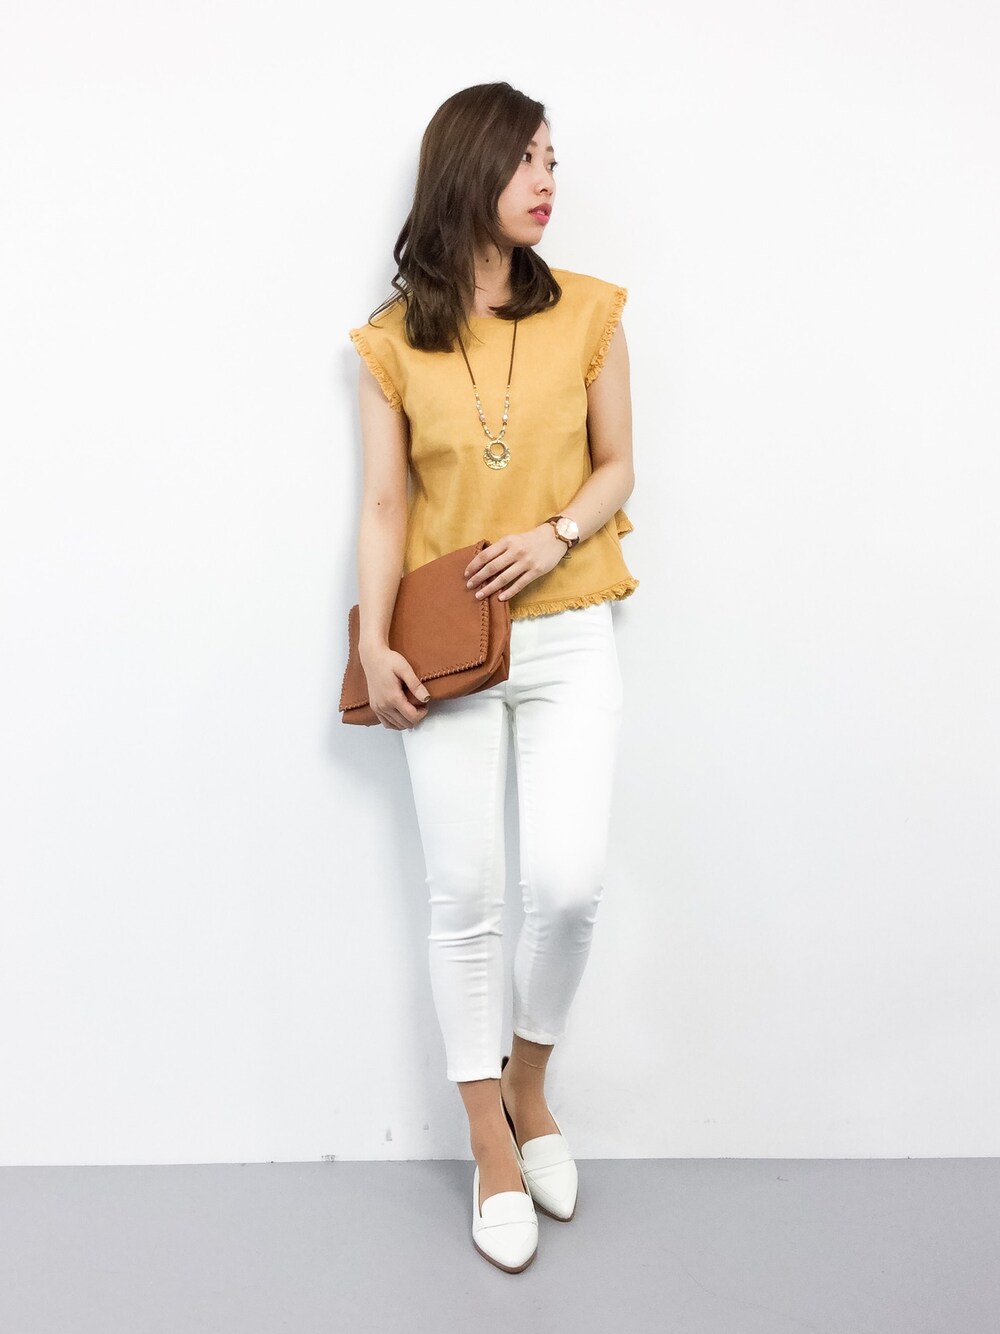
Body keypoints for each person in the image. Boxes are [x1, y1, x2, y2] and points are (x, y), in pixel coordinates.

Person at [348, 81, 638, 1272]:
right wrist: (374, 643)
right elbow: (383, 505)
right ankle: (489, 1140)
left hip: (568, 629)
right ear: (468, 169)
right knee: (463, 893)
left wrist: (556, 534)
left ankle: (528, 1082)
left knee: (566, 887)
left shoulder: (592, 311)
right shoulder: (390, 341)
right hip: (443, 649)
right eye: (527, 160)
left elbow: (619, 466)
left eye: (553, 160)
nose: (548, 181)